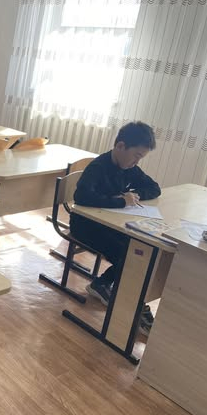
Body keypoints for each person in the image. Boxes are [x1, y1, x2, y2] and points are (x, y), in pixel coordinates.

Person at [70, 121, 161, 335]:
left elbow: (154, 188)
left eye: (141, 158)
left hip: (111, 225)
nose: (137, 161)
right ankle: (134, 308)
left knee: (141, 250)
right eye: (136, 155)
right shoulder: (98, 167)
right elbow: (81, 197)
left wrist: (135, 196)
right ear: (120, 146)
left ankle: (102, 284)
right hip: (85, 225)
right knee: (128, 255)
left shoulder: (130, 168)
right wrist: (120, 201)